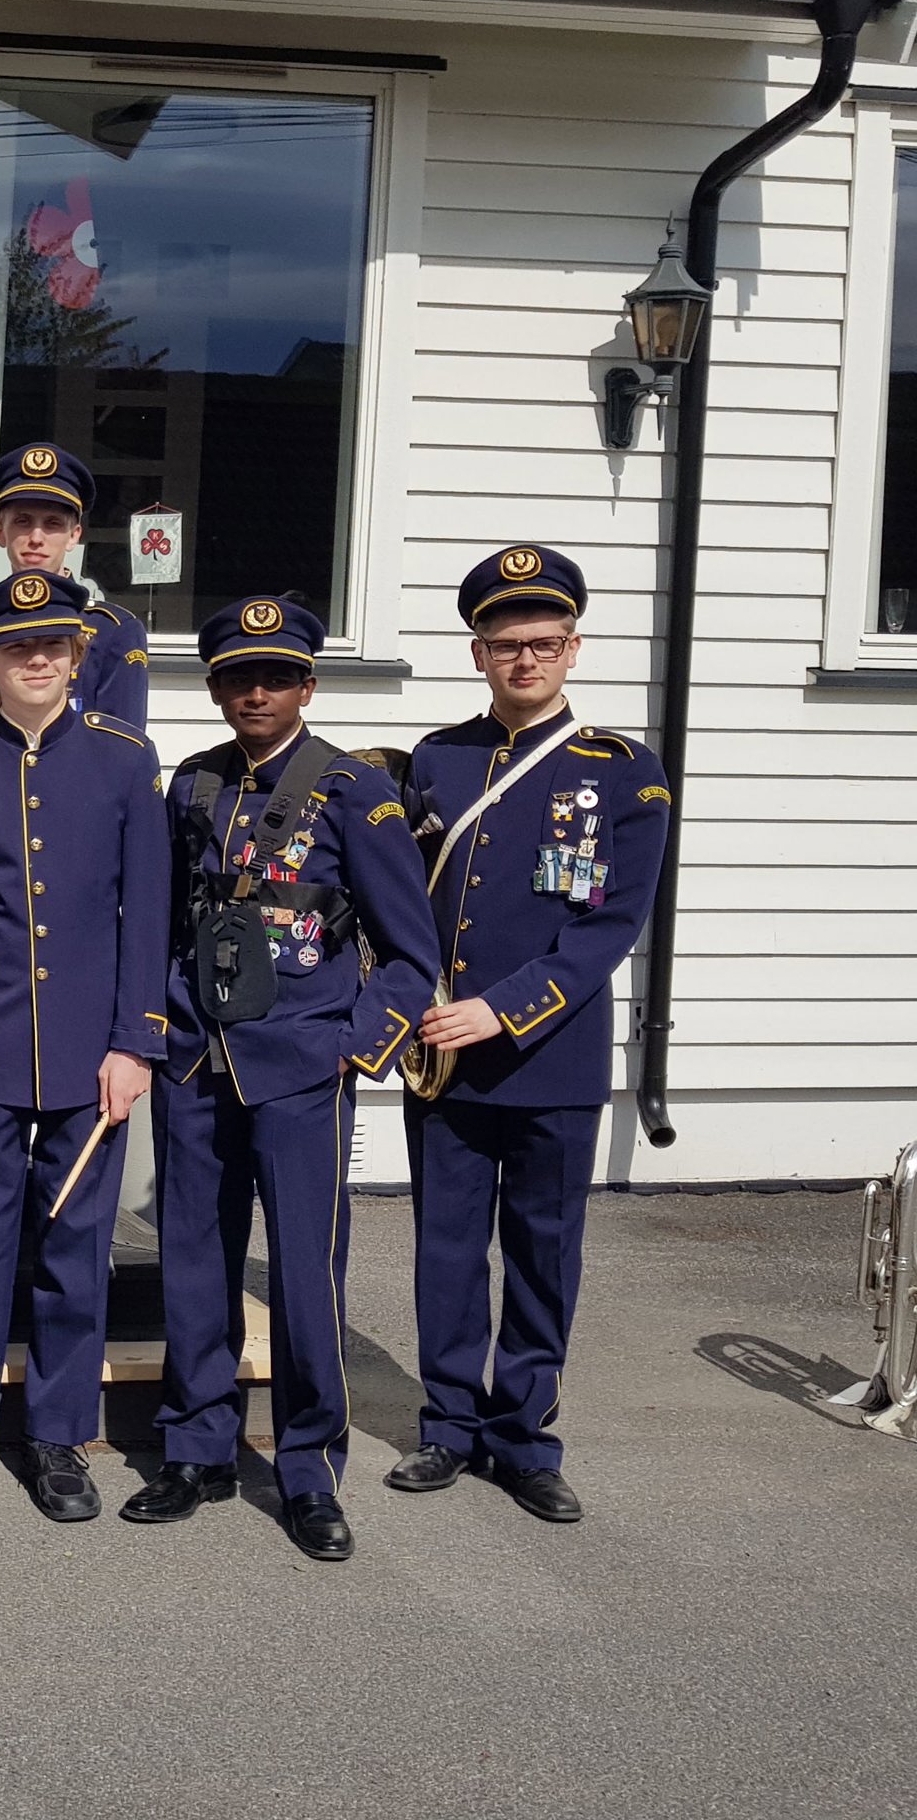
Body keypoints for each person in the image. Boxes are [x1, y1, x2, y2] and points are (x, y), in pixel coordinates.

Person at [125, 597, 439, 1561]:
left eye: (274, 677)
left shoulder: (354, 792)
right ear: (216, 688)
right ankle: (196, 1448)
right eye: (236, 678)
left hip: (303, 1062)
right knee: (192, 1262)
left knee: (305, 1273)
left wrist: (354, 1046)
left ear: (307, 685)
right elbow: (169, 917)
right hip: (198, 1059)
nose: (254, 693)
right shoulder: (194, 784)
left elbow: (411, 952)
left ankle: (308, 1467)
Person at [388, 547, 669, 1524]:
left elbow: (607, 926)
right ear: (478, 653)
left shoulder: (622, 772)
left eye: (544, 643)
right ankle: (447, 1426)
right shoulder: (436, 761)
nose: (525, 660)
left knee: (542, 1256)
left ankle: (523, 1438)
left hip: (552, 1057)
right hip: (445, 1058)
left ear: (573, 649)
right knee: (447, 1252)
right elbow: (400, 901)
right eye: (505, 644)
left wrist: (502, 1008)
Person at [0, 570, 168, 1522]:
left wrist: (134, 1042)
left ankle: (60, 1436)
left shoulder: (124, 758)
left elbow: (145, 911)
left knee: (76, 1244)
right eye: (17, 647)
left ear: (77, 657)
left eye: (53, 646)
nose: (37, 660)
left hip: (90, 1046)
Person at [0, 443, 149, 729]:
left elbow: (123, 743)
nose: (36, 538)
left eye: (52, 523)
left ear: (74, 535)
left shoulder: (113, 631)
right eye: (23, 521)